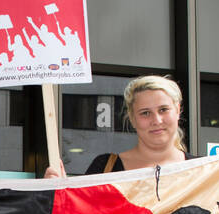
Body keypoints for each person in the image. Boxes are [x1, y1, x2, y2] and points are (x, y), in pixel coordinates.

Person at [45, 75, 192, 177]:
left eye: (163, 110)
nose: (157, 120)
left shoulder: (205, 172)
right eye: (145, 113)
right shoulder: (104, 169)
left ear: (178, 110)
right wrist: (60, 195)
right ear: (132, 119)